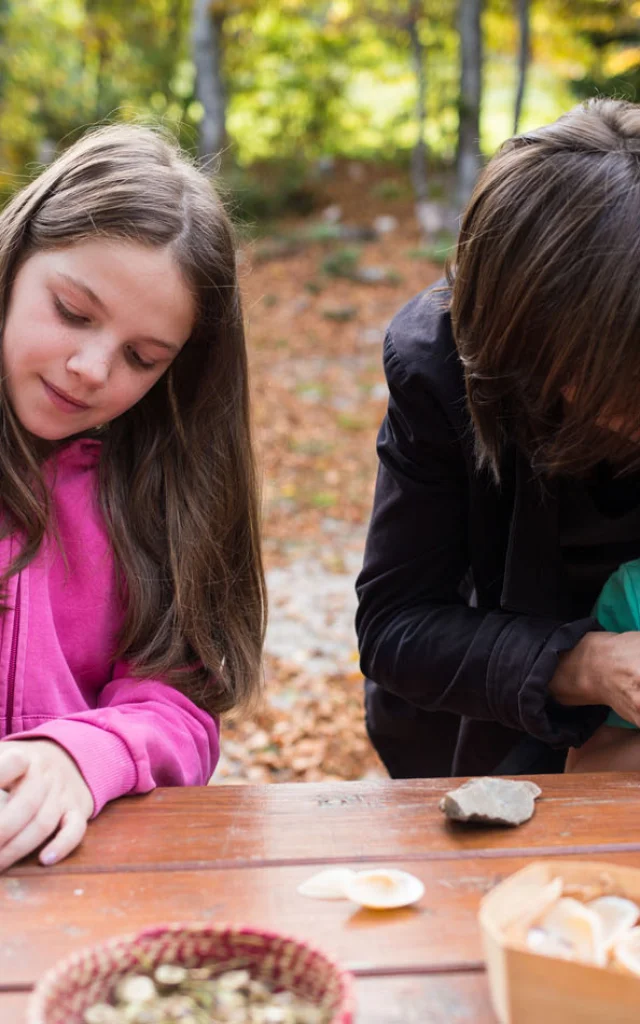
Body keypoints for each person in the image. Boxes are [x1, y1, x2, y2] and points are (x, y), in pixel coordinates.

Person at [0, 124, 266, 870]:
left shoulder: (154, 487)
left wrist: (80, 756)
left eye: (140, 358)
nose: (89, 368)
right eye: (72, 313)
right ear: (16, 257)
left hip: (72, 883)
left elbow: (179, 701)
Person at [356, 97, 640, 781]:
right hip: (487, 735)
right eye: (606, 373)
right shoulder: (442, 366)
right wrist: (585, 665)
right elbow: (398, 629)